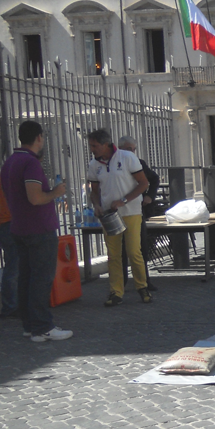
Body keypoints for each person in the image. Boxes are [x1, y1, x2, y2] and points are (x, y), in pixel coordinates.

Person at [0, 121, 72, 341]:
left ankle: (30, 326)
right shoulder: (30, 163)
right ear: (39, 137)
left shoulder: (10, 162)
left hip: (19, 227)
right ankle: (42, 326)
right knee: (41, 278)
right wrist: (56, 192)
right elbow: (35, 197)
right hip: (38, 228)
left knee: (26, 278)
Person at [87, 129, 151, 307]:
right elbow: (94, 191)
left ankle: (142, 286)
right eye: (91, 145)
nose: (92, 149)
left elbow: (143, 183)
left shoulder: (127, 157)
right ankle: (116, 291)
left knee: (133, 251)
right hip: (109, 215)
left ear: (105, 144)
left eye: (95, 146)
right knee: (113, 254)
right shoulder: (94, 164)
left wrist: (124, 200)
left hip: (131, 212)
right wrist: (97, 205)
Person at [117, 136, 160, 292]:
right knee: (119, 250)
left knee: (140, 248)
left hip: (136, 211)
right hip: (117, 212)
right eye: (129, 149)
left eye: (134, 149)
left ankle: (144, 281)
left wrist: (150, 196)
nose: (132, 152)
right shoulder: (113, 164)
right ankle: (121, 282)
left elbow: (153, 179)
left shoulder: (139, 163)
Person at [0, 176, 19, 318]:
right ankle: (11, 306)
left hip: (4, 223)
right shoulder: (12, 174)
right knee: (14, 266)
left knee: (13, 264)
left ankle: (12, 305)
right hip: (8, 223)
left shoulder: (5, 173)